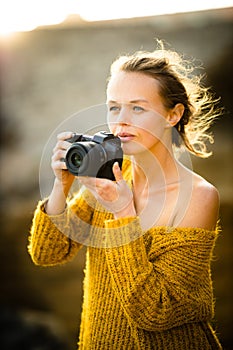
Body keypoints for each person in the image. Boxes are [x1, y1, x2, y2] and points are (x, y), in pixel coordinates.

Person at [28, 42, 223, 349]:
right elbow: (46, 253)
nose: (121, 121)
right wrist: (61, 185)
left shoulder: (198, 196)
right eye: (114, 106)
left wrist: (122, 212)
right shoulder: (111, 177)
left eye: (138, 108)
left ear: (173, 115)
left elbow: (155, 311)